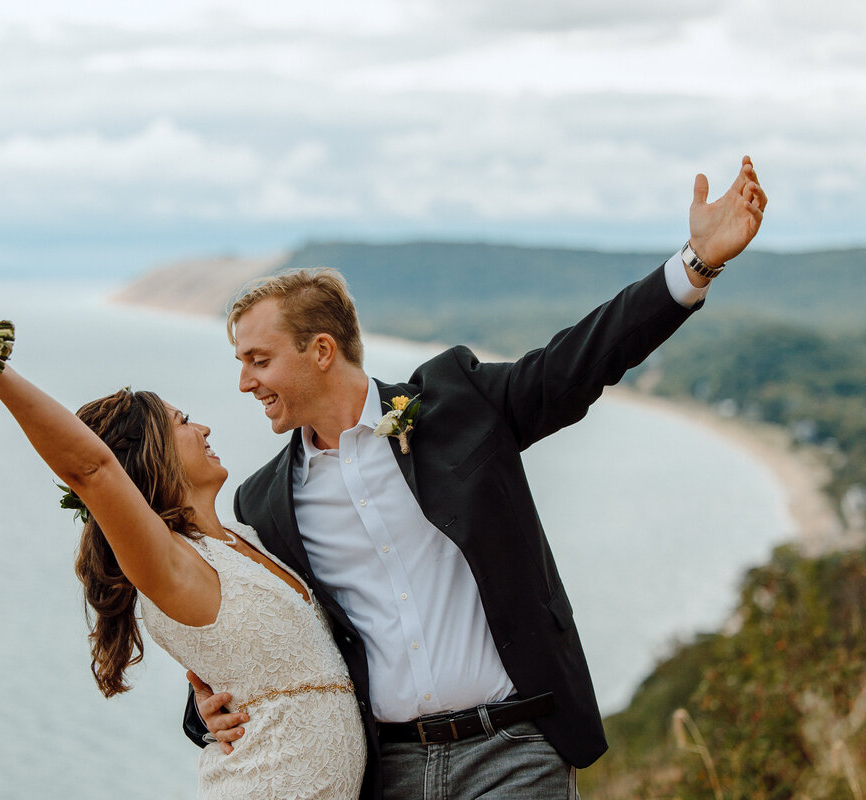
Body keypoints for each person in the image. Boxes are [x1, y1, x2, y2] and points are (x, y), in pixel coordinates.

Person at [185, 156, 767, 798]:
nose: (245, 382)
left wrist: (695, 264)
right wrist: (203, 711)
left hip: (514, 752)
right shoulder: (265, 503)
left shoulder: (457, 401)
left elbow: (575, 363)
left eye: (258, 360)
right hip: (389, 772)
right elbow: (265, 631)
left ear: (321, 351)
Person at [0, 330, 366, 799]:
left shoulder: (248, 537)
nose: (204, 428)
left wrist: (206, 709)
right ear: (152, 454)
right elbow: (91, 470)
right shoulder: (170, 563)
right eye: (183, 422)